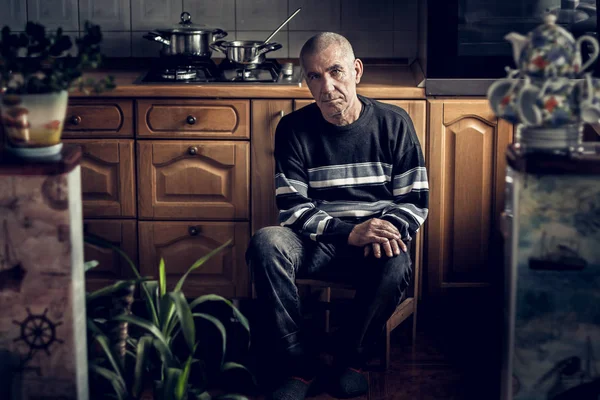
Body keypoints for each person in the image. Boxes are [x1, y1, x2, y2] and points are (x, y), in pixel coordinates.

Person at [246, 32, 429, 400]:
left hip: (374, 247)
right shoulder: (293, 128)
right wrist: (349, 232)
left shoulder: (395, 122)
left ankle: (351, 361)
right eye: (314, 76)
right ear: (305, 81)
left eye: (335, 72)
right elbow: (293, 208)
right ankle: (298, 364)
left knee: (396, 262)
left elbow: (415, 199)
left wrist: (385, 228)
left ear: (356, 71)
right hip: (318, 242)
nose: (327, 87)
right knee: (266, 242)